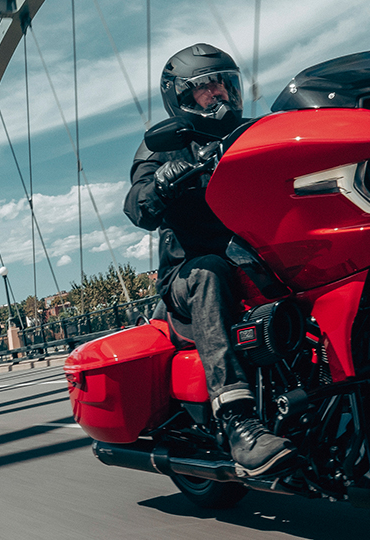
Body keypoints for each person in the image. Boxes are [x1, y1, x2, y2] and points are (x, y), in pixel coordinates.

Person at [123, 44, 293, 477]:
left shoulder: (252, 132)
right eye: (203, 88)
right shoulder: (163, 148)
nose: (216, 93)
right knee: (209, 271)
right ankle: (238, 421)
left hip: (256, 261)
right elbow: (138, 207)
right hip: (189, 278)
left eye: (222, 83)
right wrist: (160, 183)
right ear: (181, 97)